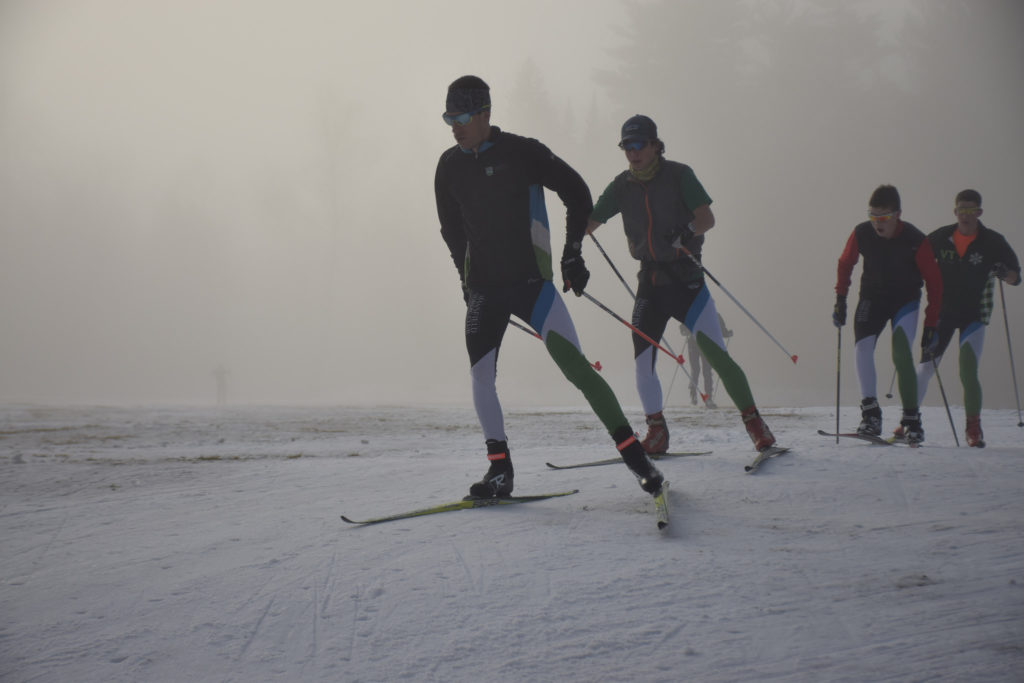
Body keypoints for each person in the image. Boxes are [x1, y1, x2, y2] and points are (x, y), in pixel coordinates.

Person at [433, 76, 663, 499]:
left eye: (462, 117)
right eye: (449, 118)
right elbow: (451, 232)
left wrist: (572, 254)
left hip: (531, 286)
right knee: (481, 376)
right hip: (485, 290)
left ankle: (639, 462)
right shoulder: (449, 166)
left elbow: (578, 193)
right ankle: (499, 470)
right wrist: (465, 283)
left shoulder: (522, 153)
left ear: (485, 113)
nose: (454, 126)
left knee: (578, 370)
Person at [586, 114, 776, 455]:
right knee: (643, 363)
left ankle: (756, 425)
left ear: (656, 145)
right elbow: (590, 222)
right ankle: (657, 432)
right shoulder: (620, 187)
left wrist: (687, 231)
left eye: (639, 144)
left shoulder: (679, 175)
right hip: (650, 283)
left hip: (686, 282)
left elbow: (707, 219)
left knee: (718, 357)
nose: (633, 152)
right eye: (626, 146)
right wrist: (570, 245)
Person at [833, 184, 943, 444]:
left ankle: (911, 419)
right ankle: (871, 415)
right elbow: (845, 263)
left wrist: (931, 324)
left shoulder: (916, 239)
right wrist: (840, 299)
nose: (877, 224)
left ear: (898, 215)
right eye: (873, 216)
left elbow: (935, 283)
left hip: (905, 301)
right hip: (872, 298)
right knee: (862, 347)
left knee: (901, 352)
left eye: (883, 218)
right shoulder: (862, 232)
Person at [910, 189, 1020, 447]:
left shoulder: (993, 241)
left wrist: (1004, 272)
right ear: (955, 211)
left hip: (974, 315)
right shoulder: (941, 237)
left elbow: (1016, 277)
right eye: (962, 210)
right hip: (943, 313)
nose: (966, 215)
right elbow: (916, 259)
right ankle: (909, 420)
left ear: (979, 212)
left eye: (971, 210)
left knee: (968, 371)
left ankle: (973, 429)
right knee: (926, 367)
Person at [680, 314, 731, 408]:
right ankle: (694, 396)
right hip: (695, 344)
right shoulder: (696, 312)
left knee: (705, 371)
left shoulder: (713, 313)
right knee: (697, 370)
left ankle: (707, 397)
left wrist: (727, 333)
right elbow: (683, 328)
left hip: (705, 345)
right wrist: (684, 331)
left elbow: (722, 329)